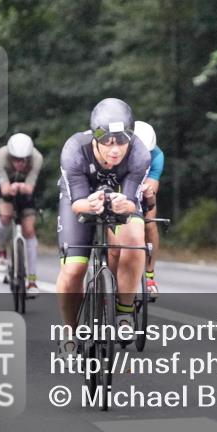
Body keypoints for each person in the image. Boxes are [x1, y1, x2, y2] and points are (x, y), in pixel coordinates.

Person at [55, 98, 150, 354]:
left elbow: (131, 202)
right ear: (95, 138)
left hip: (121, 196)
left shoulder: (139, 153)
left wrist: (124, 204)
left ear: (130, 137)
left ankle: (124, 311)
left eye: (121, 141)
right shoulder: (75, 149)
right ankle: (69, 332)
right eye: (107, 141)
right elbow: (77, 204)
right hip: (81, 198)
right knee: (74, 269)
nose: (115, 150)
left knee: (135, 242)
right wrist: (90, 203)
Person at [0, 132, 44, 297]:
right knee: (5, 216)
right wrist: (11, 188)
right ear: (9, 156)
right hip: (6, 186)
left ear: (29, 157)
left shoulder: (37, 158)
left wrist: (22, 187)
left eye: (23, 160)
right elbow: (4, 189)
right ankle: (1, 249)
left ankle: (32, 280)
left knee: (29, 229)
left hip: (25, 188)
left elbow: (30, 186)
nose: (19, 163)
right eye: (15, 159)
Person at [133, 121, 164, 300]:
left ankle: (150, 276)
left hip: (142, 188)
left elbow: (151, 189)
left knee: (150, 223)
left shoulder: (157, 155)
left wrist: (147, 197)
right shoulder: (118, 149)